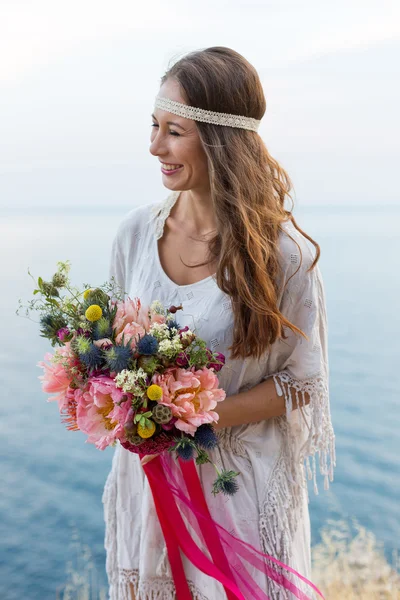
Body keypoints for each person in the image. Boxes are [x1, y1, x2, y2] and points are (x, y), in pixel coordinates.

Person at [102, 46, 336, 600]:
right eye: (154, 126)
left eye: (174, 131)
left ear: (219, 139)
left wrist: (184, 417)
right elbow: (114, 350)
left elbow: (302, 385)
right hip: (148, 492)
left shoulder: (283, 256)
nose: (155, 147)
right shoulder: (134, 234)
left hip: (239, 496)